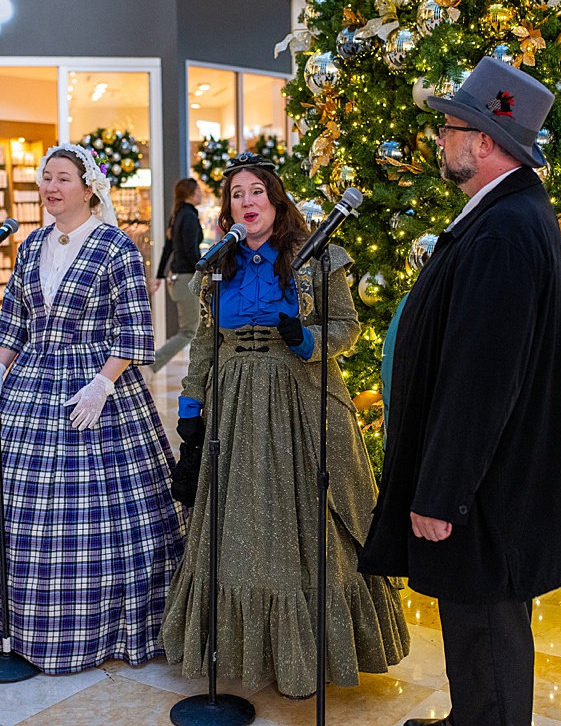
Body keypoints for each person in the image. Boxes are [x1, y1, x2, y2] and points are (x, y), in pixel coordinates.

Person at [360, 58, 561, 726]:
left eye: (450, 128)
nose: (440, 139)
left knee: (487, 624)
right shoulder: (504, 211)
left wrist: (441, 493)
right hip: (489, 483)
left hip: (483, 489)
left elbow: (481, 379)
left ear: (485, 141)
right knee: (476, 621)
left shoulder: (502, 229)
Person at [160, 152, 409, 699]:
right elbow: (205, 343)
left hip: (301, 400)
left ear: (276, 199)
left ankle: (308, 657)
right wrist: (192, 407)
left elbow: (346, 326)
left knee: (305, 526)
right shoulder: (216, 265)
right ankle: (249, 653)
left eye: (256, 192)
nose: (246, 203)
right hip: (235, 409)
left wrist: (307, 339)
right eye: (236, 195)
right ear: (226, 207)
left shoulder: (318, 257)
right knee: (243, 529)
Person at [0, 144, 183, 671]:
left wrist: (102, 384)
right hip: (32, 381)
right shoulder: (29, 246)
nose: (51, 187)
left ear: (88, 187)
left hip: (98, 385)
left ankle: (106, 626)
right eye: (45, 178)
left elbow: (135, 329)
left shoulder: (116, 247)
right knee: (13, 505)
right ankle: (13, 622)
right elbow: (13, 317)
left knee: (98, 511)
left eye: (62, 178)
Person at [150, 178, 204, 371]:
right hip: (186, 278)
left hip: (177, 279)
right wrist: (203, 270)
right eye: (198, 190)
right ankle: (154, 363)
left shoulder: (178, 215)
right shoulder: (188, 216)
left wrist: (159, 276)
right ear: (190, 192)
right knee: (189, 330)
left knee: (194, 328)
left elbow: (168, 248)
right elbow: (191, 250)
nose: (201, 193)